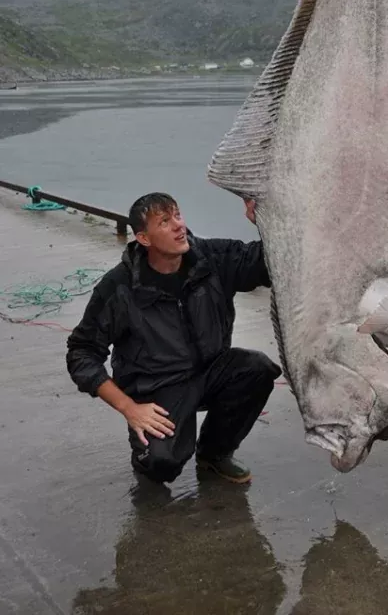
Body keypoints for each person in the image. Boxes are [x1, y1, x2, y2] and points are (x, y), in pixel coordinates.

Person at [66, 191, 281, 485]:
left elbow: (269, 262)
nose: (179, 225)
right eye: (165, 221)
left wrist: (267, 221)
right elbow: (82, 352)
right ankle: (147, 455)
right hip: (158, 387)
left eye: (177, 215)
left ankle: (214, 455)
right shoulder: (119, 287)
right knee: (161, 465)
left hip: (209, 371)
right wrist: (130, 408)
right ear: (144, 238)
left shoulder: (211, 259)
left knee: (257, 369)